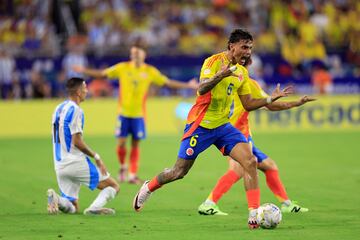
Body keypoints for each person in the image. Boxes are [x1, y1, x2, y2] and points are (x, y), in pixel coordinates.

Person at [132, 29, 293, 229]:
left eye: (250, 48)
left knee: (250, 161)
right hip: (201, 125)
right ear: (231, 46)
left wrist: (270, 98)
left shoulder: (242, 72)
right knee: (178, 171)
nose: (248, 52)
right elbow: (202, 88)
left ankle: (253, 213)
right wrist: (221, 75)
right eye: (244, 47)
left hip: (223, 127)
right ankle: (149, 187)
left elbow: (248, 103)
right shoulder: (213, 62)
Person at [198, 58, 315, 216]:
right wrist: (295, 103)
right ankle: (209, 203)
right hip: (236, 133)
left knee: (269, 166)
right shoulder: (248, 82)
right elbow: (270, 105)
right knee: (238, 170)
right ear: (249, 65)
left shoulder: (231, 81)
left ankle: (286, 203)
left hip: (239, 132)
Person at [73, 41, 198, 184]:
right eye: (132, 53)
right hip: (123, 113)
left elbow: (167, 82)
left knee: (135, 144)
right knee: (121, 144)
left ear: (144, 55)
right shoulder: (122, 67)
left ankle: (132, 175)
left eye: (137, 53)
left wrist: (188, 85)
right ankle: (122, 167)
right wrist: (84, 70)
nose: (134, 56)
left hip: (139, 115)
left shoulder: (150, 71)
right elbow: (102, 74)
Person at [47, 77, 119, 215]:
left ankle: (57, 199)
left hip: (59, 163)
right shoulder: (76, 110)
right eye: (85, 88)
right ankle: (95, 208)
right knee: (113, 186)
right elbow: (77, 141)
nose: (87, 90)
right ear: (79, 92)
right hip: (74, 161)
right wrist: (96, 157)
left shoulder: (58, 108)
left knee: (73, 207)